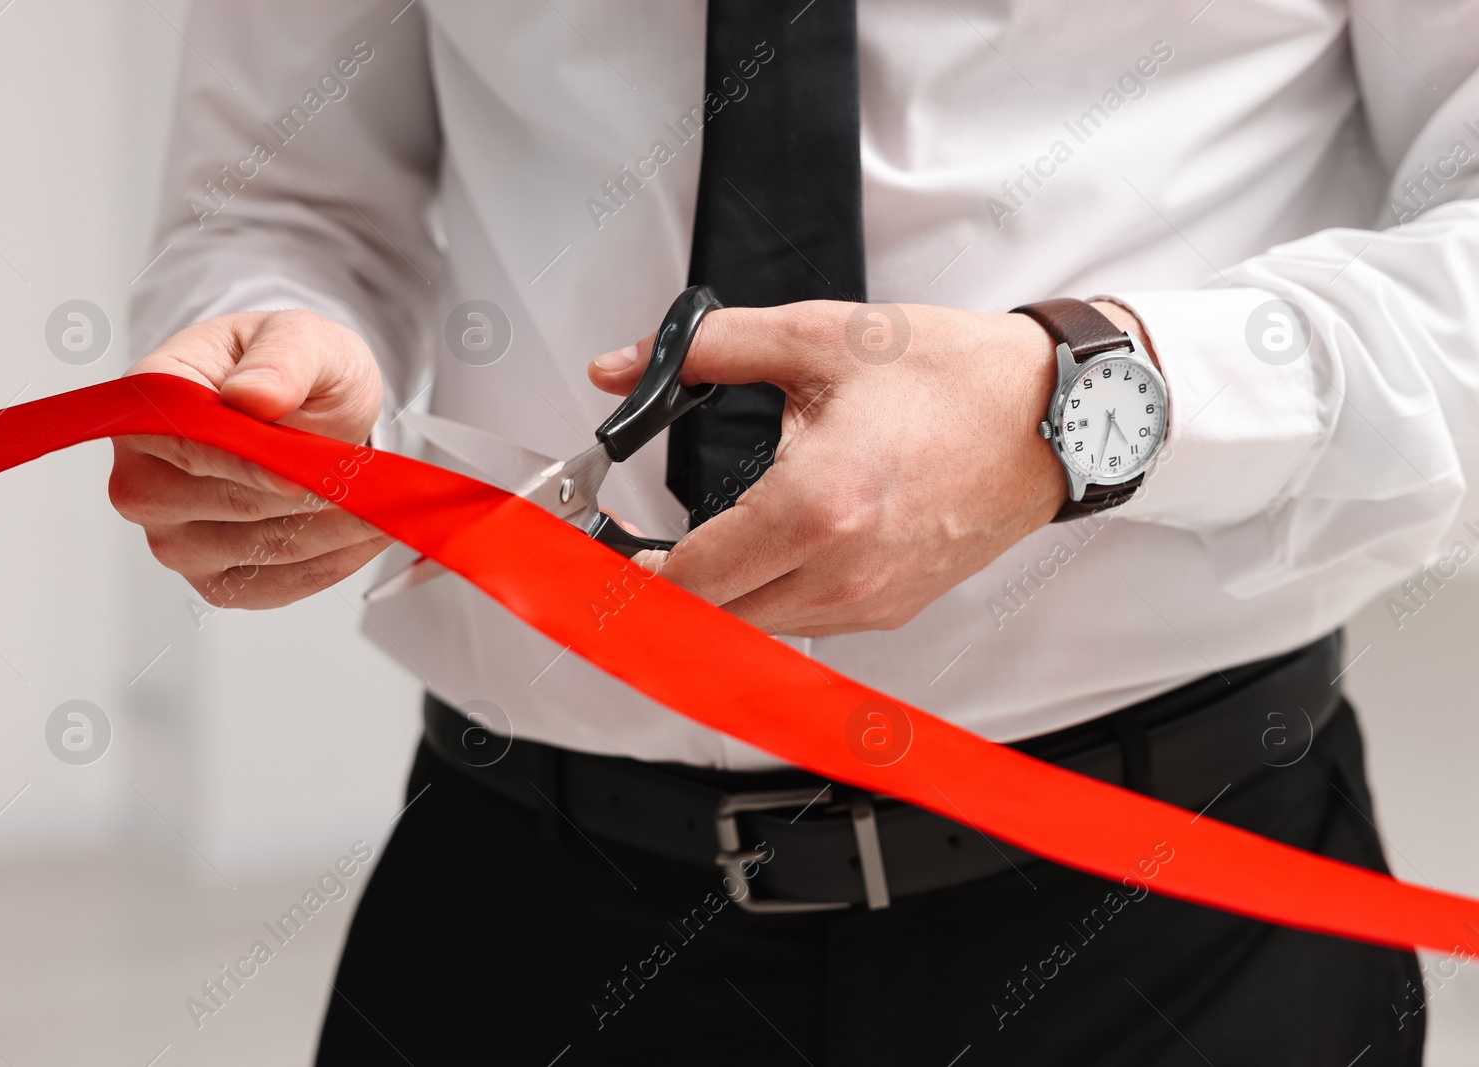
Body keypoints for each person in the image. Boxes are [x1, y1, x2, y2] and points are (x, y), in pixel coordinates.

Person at [111, 1, 1479, 1062]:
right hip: (522, 903)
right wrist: (271, 367)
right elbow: (280, 204)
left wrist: (1077, 405)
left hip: (1173, 926)